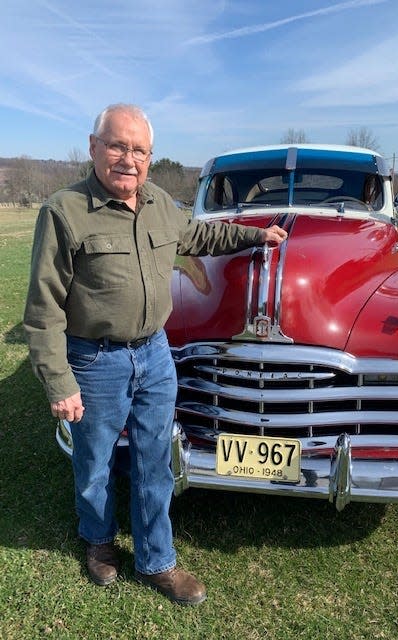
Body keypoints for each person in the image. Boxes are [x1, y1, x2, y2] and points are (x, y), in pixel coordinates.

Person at [23, 103, 287, 606]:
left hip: (156, 355)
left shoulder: (161, 203)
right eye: (118, 145)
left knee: (154, 459)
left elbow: (202, 234)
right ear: (94, 147)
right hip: (95, 361)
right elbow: (43, 307)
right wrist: (60, 381)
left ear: (149, 157)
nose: (128, 159)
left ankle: (157, 560)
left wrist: (256, 235)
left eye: (139, 150)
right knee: (95, 460)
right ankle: (99, 539)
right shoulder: (64, 211)